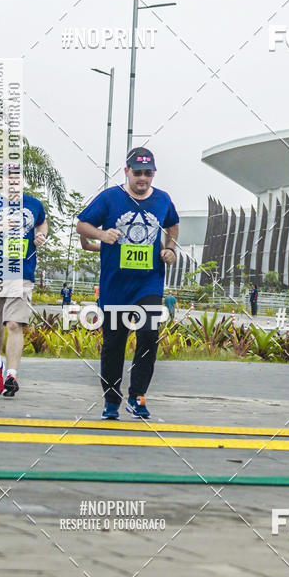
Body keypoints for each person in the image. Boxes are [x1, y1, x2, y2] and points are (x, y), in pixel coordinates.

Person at [77, 147, 179, 421]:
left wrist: (170, 249)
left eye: (148, 173)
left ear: (153, 173)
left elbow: (172, 224)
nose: (143, 178)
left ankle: (138, 396)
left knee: (148, 335)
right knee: (114, 344)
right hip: (115, 285)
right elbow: (82, 225)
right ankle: (112, 400)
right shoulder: (110, 198)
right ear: (126, 171)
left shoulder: (162, 199)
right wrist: (102, 234)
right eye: (137, 172)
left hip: (149, 283)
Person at [0, 164, 47, 397]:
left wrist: (41, 235)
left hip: (22, 273)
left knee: (14, 324)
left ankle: (11, 375)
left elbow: (42, 223)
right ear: (1, 181)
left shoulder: (34, 204)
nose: (13, 181)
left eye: (17, 177)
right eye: (9, 177)